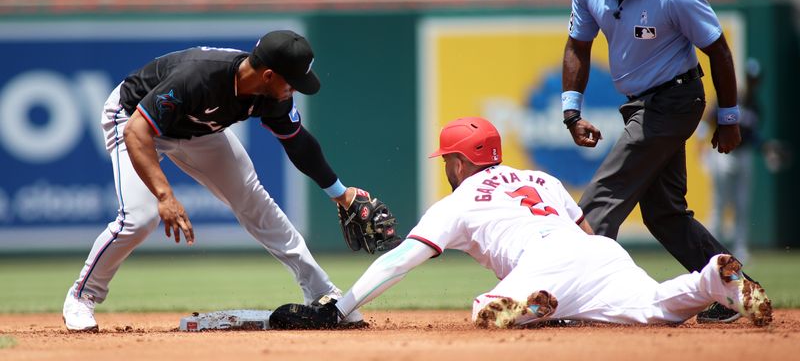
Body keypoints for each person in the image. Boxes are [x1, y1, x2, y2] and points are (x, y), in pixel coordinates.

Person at [268, 117, 772, 329]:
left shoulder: (461, 198)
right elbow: (590, 236)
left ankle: (526, 305)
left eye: (447, 160)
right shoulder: (541, 176)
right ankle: (713, 280)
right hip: (598, 252)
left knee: (485, 310)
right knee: (655, 308)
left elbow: (401, 260)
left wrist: (343, 306)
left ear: (460, 164)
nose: (446, 167)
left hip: (541, 266)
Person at [62, 30, 369, 332]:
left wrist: (340, 194)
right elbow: (137, 132)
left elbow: (298, 142)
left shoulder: (272, 95)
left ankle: (323, 293)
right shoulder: (198, 76)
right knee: (139, 218)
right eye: (292, 82)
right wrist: (165, 195)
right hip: (133, 119)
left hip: (199, 131)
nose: (295, 90)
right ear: (269, 75)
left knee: (254, 201)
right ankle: (81, 296)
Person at [560, 0, 746, 324]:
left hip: (676, 99)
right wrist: (572, 112)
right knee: (664, 215)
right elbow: (577, 45)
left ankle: (569, 299)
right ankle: (738, 290)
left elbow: (718, 50)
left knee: (602, 198)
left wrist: (729, 117)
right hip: (639, 106)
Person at [702, 58, 764, 263]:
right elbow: (709, 117)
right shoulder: (730, 97)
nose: (752, 82)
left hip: (743, 154)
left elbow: (752, 134)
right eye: (749, 78)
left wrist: (764, 147)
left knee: (741, 205)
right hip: (722, 153)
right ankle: (714, 251)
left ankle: (740, 249)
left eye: (755, 79)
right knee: (719, 203)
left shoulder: (755, 105)